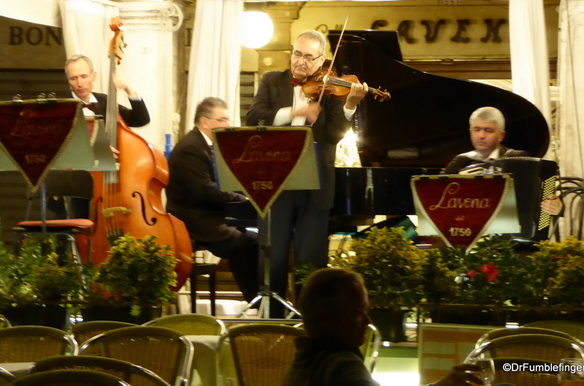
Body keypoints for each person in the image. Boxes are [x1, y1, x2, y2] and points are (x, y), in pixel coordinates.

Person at [246, 30, 368, 315]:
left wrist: (350, 104)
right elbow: (254, 118)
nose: (300, 62)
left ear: (322, 59)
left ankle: (310, 322)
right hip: (275, 185)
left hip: (316, 185)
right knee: (272, 260)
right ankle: (270, 322)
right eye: (297, 54)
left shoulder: (332, 89)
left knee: (310, 262)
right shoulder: (271, 81)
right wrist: (296, 111)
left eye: (308, 57)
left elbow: (333, 135)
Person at [283, 268, 483, 386]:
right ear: (324, 318)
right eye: (358, 311)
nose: (368, 320)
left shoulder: (305, 361)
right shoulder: (341, 365)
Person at [165, 97, 259, 302]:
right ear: (205, 121)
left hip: (210, 212)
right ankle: (256, 300)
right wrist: (241, 199)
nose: (228, 125)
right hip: (192, 217)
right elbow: (205, 191)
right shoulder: (191, 148)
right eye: (223, 120)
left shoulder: (207, 145)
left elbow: (223, 183)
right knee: (242, 242)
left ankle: (262, 299)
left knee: (258, 240)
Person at [442, 106, 562, 215]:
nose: (481, 135)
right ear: (470, 132)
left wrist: (557, 206)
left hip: (511, 236)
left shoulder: (517, 159)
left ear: (501, 135)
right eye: (476, 129)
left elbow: (542, 198)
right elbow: (436, 198)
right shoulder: (460, 162)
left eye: (488, 130)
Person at [65, 54, 150, 127]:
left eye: (84, 77)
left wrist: (128, 90)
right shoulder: (61, 107)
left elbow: (141, 120)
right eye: (73, 78)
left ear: (93, 76)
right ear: (68, 81)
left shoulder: (105, 101)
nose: (79, 83)